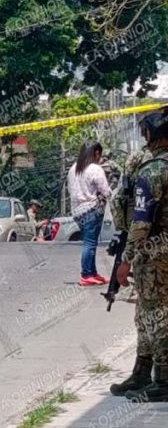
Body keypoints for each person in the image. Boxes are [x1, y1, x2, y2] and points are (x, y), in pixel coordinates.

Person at [116, 109, 168, 403]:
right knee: (146, 313)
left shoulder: (152, 171)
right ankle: (142, 372)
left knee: (155, 314)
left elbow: (141, 222)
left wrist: (126, 260)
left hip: (155, 254)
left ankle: (163, 379)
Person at [67, 141, 112, 286]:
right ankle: (86, 274)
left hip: (77, 212)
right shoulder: (95, 169)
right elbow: (105, 190)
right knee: (90, 243)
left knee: (89, 242)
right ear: (96, 153)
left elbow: (70, 190)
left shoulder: (73, 169)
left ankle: (92, 273)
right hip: (92, 209)